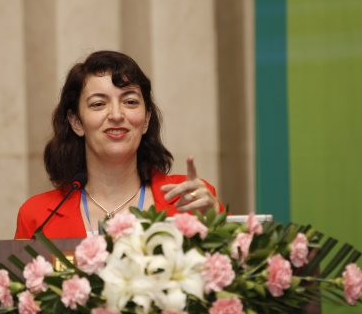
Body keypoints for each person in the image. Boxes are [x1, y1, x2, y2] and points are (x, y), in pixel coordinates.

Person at [14, 50, 223, 239]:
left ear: (146, 119)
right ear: (76, 122)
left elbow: (234, 263)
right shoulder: (37, 216)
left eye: (130, 102)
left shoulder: (190, 200)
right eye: (98, 104)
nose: (116, 115)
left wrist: (215, 225)